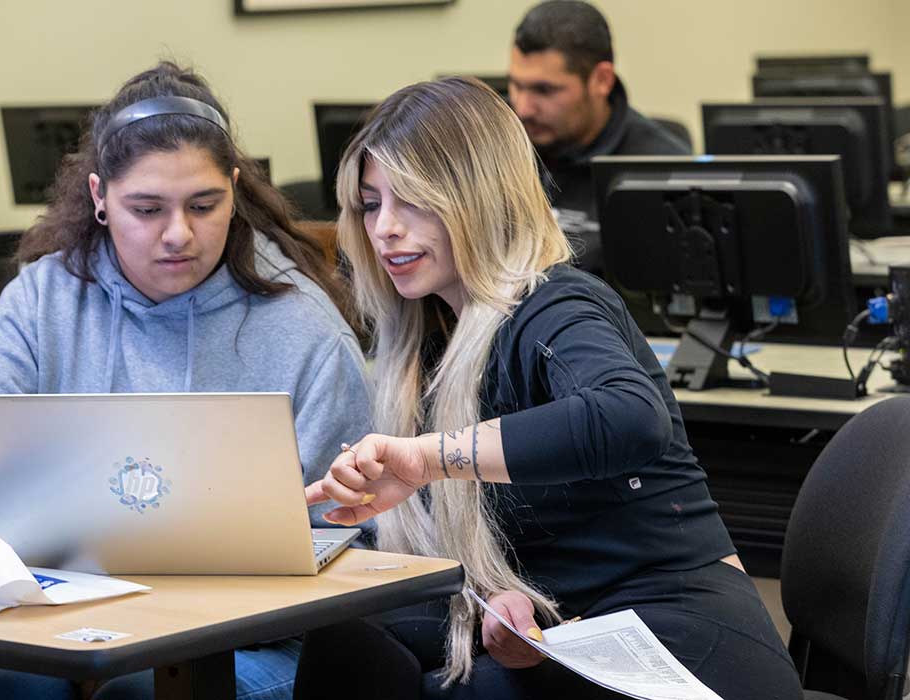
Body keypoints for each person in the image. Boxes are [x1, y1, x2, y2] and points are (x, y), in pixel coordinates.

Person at [300, 77, 802, 699]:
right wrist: (500, 590)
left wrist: (429, 457)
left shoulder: (556, 305)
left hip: (679, 630)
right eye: (372, 204)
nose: (386, 230)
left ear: (479, 200)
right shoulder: (430, 334)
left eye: (414, 201)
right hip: (567, 620)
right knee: (349, 638)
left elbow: (629, 418)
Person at [0, 61, 372, 700]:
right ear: (100, 197)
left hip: (251, 638)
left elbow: (352, 525)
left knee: (139, 693)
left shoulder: (306, 332)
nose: (179, 233)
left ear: (234, 190)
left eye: (204, 205)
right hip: (65, 620)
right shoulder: (42, 299)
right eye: (147, 208)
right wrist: (98, 533)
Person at [509, 0, 690, 272]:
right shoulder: (502, 145)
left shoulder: (661, 171)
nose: (523, 108)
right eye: (515, 85)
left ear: (602, 80)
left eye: (544, 90)